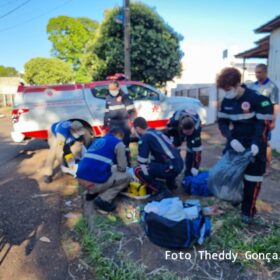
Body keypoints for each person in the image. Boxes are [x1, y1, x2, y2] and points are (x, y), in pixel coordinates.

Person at [217, 67, 273, 224]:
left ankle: (248, 212)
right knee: (229, 175)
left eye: (228, 89)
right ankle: (236, 197)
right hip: (235, 143)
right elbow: (222, 122)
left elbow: (263, 125)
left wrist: (256, 144)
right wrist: (230, 139)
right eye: (224, 90)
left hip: (255, 144)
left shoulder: (257, 99)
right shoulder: (227, 101)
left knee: (252, 180)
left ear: (237, 84)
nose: (226, 93)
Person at [76, 128, 130, 214]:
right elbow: (122, 167)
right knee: (127, 176)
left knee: (112, 168)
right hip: (93, 182)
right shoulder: (118, 142)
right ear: (119, 136)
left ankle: (91, 193)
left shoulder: (99, 140)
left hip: (80, 179)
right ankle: (103, 200)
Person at [133, 117, 184, 200]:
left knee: (137, 170)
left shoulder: (146, 137)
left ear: (138, 129)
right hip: (179, 164)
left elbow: (142, 160)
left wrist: (145, 177)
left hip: (171, 167)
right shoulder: (157, 132)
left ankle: (161, 190)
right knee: (155, 162)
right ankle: (170, 184)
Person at [249, 64, 279, 174]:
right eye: (256, 72)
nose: (257, 75)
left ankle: (267, 167)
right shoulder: (252, 86)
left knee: (265, 143)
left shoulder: (272, 87)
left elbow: (275, 105)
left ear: (266, 72)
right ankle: (253, 164)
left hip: (266, 121)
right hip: (252, 121)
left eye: (260, 72)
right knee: (252, 141)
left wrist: (273, 121)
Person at [103, 80, 137, 165]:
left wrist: (133, 124)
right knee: (113, 144)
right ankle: (115, 163)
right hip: (113, 125)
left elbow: (132, 111)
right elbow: (107, 112)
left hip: (123, 124)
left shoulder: (125, 97)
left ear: (118, 87)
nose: (112, 91)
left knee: (124, 145)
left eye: (113, 89)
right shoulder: (108, 98)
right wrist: (105, 124)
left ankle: (127, 164)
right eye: (110, 89)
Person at [165, 109, 202, 176]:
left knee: (191, 150)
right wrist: (171, 145)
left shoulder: (196, 129)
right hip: (176, 129)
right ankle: (173, 171)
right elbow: (167, 134)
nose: (189, 134)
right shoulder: (173, 122)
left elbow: (197, 151)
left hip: (192, 127)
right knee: (174, 150)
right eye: (187, 132)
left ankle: (188, 173)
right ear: (182, 128)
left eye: (191, 131)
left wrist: (195, 167)